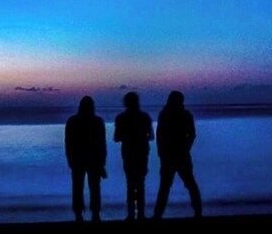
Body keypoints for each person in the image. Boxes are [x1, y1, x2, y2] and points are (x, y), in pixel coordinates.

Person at [153, 90, 202, 219]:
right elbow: (191, 135)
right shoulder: (183, 115)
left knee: (167, 186)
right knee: (187, 183)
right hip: (176, 154)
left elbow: (160, 135)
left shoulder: (167, 114)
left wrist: (162, 152)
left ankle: (158, 214)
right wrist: (185, 148)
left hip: (173, 155)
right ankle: (197, 211)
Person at [64, 96, 107, 223]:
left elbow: (68, 142)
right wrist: (102, 161)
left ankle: (79, 214)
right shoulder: (98, 121)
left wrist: (70, 159)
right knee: (94, 187)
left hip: (78, 159)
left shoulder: (72, 121)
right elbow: (101, 143)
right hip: (93, 159)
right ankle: (95, 213)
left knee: (78, 187)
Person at [114, 92, 153, 221]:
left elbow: (116, 137)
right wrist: (141, 138)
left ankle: (131, 214)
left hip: (128, 153)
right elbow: (151, 137)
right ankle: (140, 214)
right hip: (142, 153)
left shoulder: (121, 118)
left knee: (130, 184)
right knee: (140, 183)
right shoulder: (145, 117)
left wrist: (128, 137)